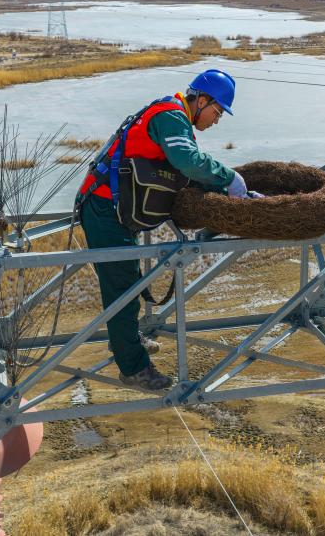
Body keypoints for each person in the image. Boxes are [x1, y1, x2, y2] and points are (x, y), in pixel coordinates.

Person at [75, 69, 247, 391]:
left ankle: (126, 339)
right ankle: (134, 369)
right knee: (121, 289)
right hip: (104, 209)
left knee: (127, 282)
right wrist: (229, 177)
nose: (217, 119)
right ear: (202, 100)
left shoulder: (175, 116)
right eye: (218, 111)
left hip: (114, 209)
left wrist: (227, 190)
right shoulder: (170, 116)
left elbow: (183, 173)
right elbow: (188, 162)